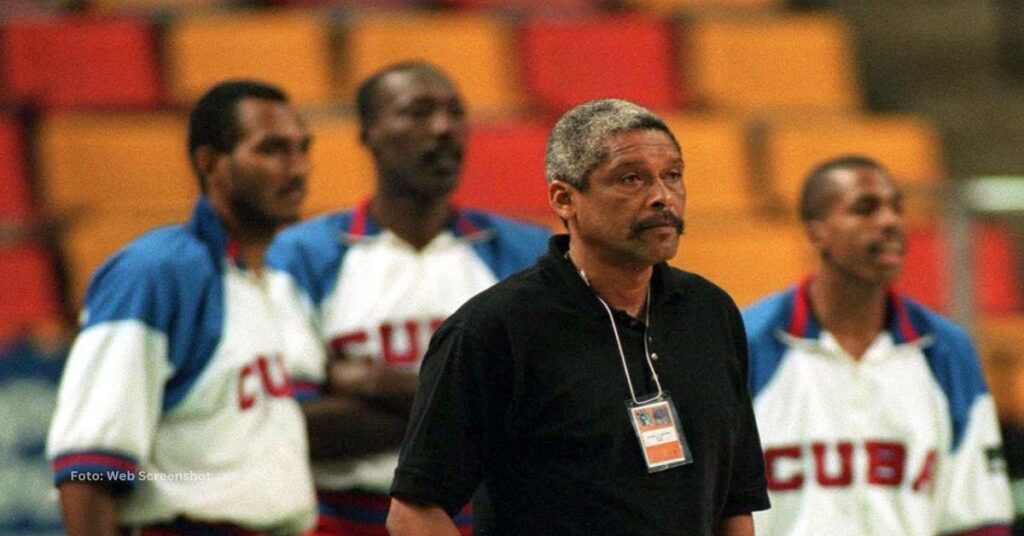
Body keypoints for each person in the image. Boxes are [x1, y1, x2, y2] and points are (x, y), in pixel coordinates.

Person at [386, 98, 771, 535]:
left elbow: (735, 502)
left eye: (673, 176)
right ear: (565, 199)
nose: (663, 197)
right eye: (631, 179)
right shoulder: (495, 328)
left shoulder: (710, 312)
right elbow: (414, 512)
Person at [266, 62, 549, 535]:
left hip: (488, 519)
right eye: (417, 112)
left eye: (455, 113)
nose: (443, 128)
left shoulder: (527, 252)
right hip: (343, 517)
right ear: (369, 133)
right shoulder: (299, 255)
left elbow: (548, 415)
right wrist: (477, 408)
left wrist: (373, 383)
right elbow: (290, 429)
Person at [46, 80, 317, 535]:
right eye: (272, 150)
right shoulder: (156, 272)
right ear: (210, 163)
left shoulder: (276, 280)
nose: (298, 169)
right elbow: (87, 470)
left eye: (302, 148)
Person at [742, 156, 1014, 535]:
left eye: (896, 208)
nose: (890, 222)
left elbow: (979, 516)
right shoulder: (745, 342)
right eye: (865, 208)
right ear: (816, 232)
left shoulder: (946, 350)